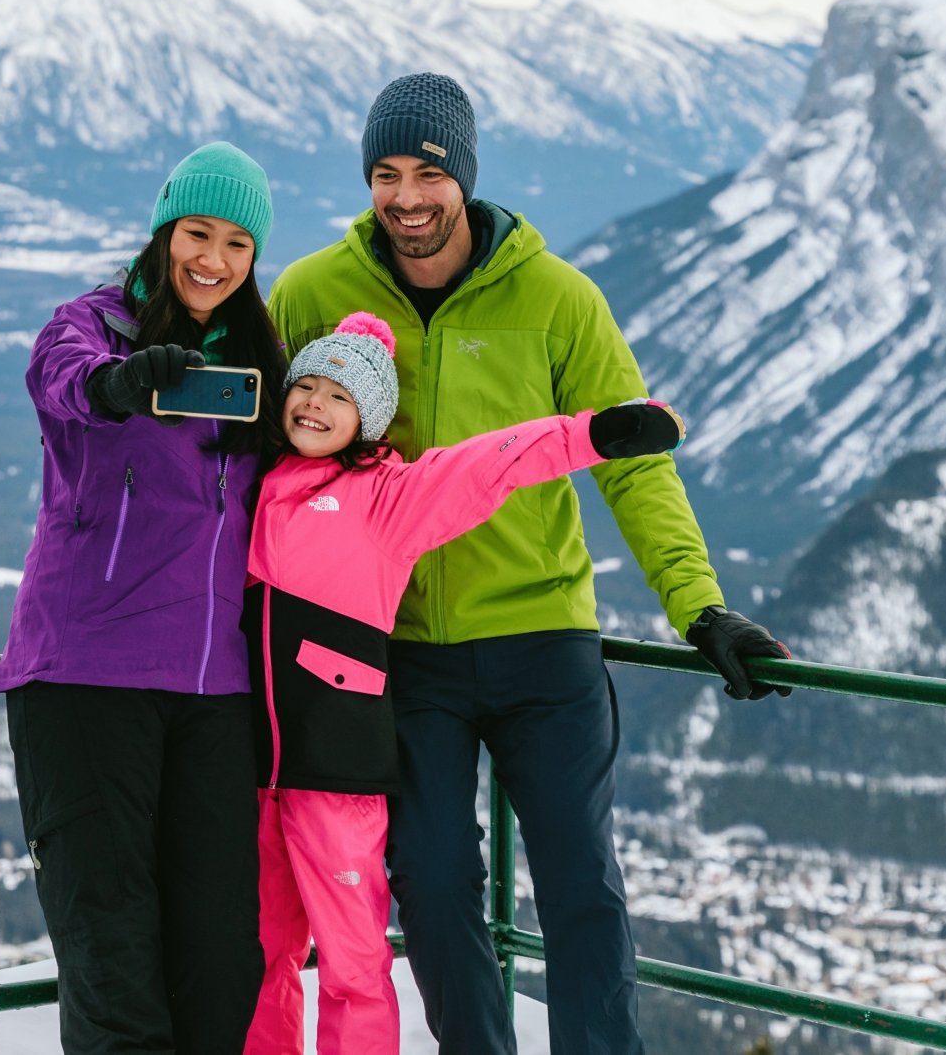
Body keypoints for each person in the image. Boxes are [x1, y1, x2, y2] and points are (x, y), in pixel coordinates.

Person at [268, 74, 791, 1055]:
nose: (407, 197)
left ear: (463, 176)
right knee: (426, 883)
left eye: (428, 173)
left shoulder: (556, 300)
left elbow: (633, 461)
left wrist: (700, 607)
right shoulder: (312, 293)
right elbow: (253, 452)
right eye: (385, 174)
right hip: (398, 651)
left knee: (578, 884)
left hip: (543, 643)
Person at [240, 311, 688, 1055]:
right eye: (306, 386)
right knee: (261, 956)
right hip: (252, 767)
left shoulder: (388, 496)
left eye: (339, 396)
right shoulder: (262, 478)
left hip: (336, 769)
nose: (315, 403)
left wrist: (594, 435)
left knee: (352, 965)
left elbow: (491, 461)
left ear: (371, 418)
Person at [0, 142, 284, 1055]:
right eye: (198, 232)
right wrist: (121, 384)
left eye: (238, 242)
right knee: (112, 960)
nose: (214, 258)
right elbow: (58, 377)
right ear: (165, 230)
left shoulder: (254, 356)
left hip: (214, 691)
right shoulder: (91, 325)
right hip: (86, 679)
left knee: (221, 962)